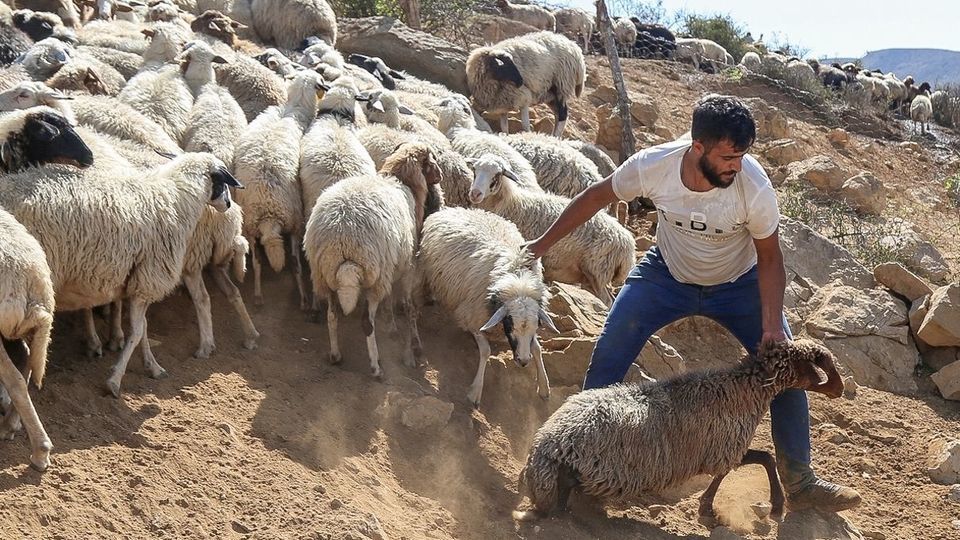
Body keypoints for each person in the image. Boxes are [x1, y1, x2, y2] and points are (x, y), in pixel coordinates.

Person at [525, 94, 861, 512]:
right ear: (697, 146)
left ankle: (801, 482)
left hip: (738, 286)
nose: (735, 166)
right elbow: (596, 198)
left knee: (785, 375)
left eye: (742, 156)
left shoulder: (753, 187)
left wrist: (772, 326)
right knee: (610, 351)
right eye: (727, 156)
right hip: (665, 276)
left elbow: (771, 258)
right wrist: (541, 245)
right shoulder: (654, 166)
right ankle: (580, 465)